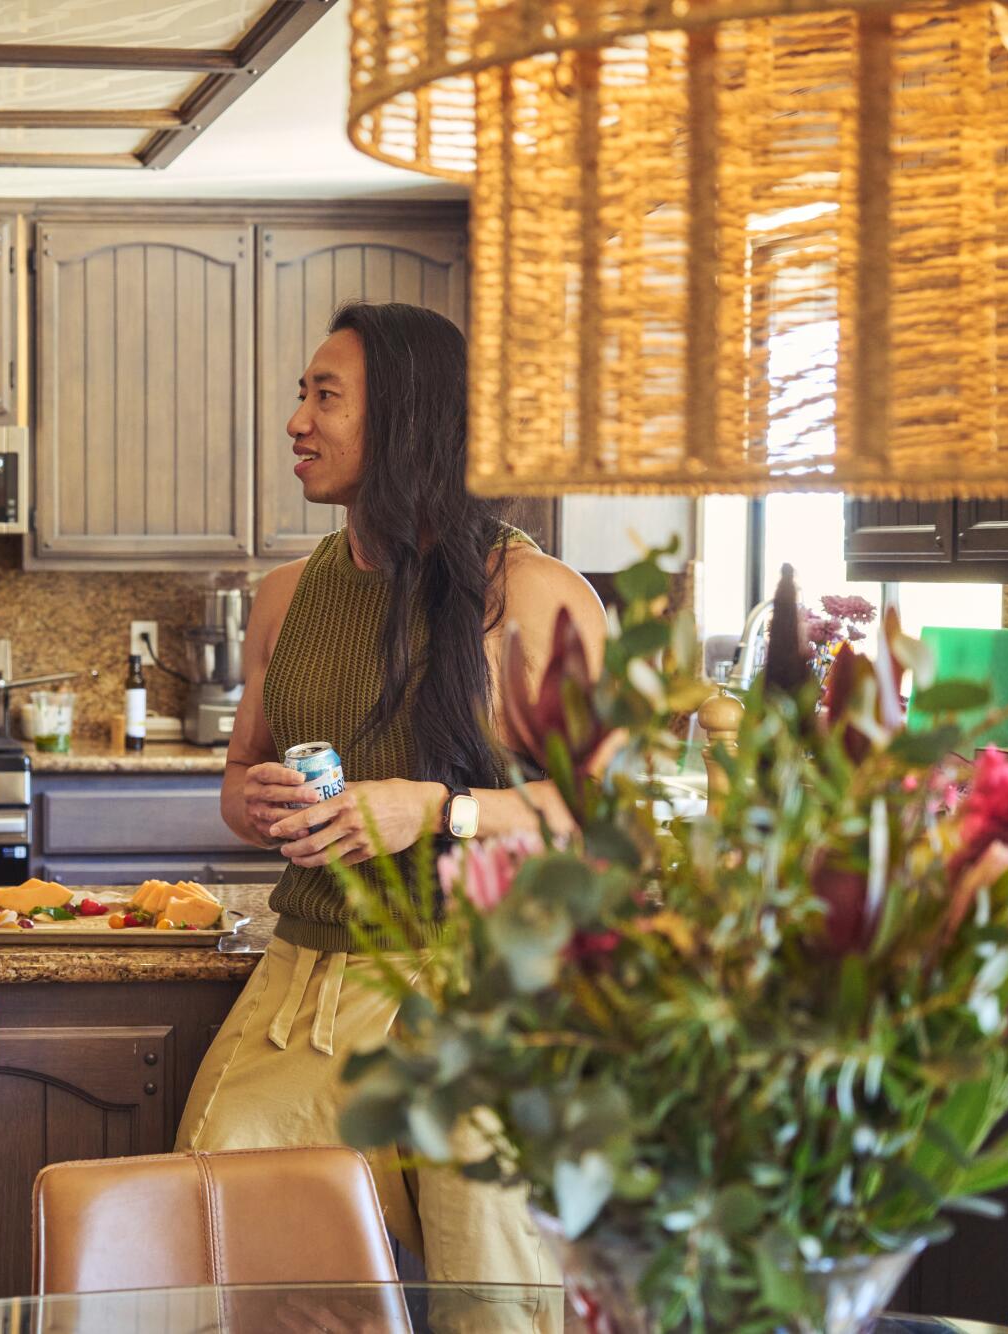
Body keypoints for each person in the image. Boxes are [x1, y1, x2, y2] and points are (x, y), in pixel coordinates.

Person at [174, 302, 606, 1286]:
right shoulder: (285, 595)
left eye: (324, 396)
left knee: (491, 1280)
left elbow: (599, 820)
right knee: (213, 1207)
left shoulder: (530, 594)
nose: (296, 420)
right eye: (300, 394)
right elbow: (238, 777)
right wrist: (258, 802)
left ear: (405, 418)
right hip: (309, 982)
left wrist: (435, 809)